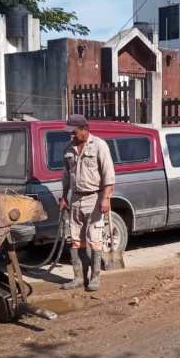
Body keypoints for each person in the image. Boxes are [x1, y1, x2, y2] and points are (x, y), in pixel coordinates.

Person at [59, 115, 116, 291]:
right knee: (76, 240)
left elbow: (109, 176)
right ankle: (78, 277)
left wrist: (105, 198)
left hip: (94, 198)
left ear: (84, 129)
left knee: (94, 239)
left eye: (74, 132)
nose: (72, 136)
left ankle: (95, 277)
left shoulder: (99, 146)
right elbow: (66, 176)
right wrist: (64, 197)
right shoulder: (68, 149)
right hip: (75, 198)